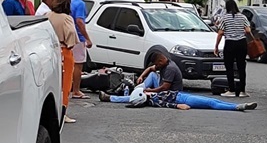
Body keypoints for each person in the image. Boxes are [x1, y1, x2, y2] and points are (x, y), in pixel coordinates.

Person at [98, 52, 257, 111]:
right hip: (180, 97)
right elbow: (167, 102)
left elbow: (164, 95)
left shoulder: (168, 72)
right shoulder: (153, 100)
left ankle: (237, 106)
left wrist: (146, 90)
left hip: (178, 95)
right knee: (211, 103)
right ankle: (237, 107)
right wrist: (178, 105)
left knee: (212, 101)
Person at [47, 0, 80, 123]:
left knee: (52, 83)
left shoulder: (48, 15)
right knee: (65, 84)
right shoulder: (66, 18)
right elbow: (71, 32)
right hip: (64, 50)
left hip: (51, 50)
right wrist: (70, 43)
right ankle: (63, 112)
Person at [214, 0, 251, 97]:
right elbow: (248, 30)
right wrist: (240, 32)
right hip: (241, 43)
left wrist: (216, 46)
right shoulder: (243, 17)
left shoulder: (225, 18)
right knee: (241, 67)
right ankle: (243, 91)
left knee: (229, 67)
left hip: (230, 43)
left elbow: (221, 33)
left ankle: (231, 90)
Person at [70, 0, 93, 99]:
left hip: (68, 36)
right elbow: (79, 21)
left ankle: (67, 88)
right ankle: (76, 91)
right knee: (78, 65)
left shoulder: (70, 1)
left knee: (68, 64)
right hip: (78, 37)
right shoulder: (80, 4)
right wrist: (87, 38)